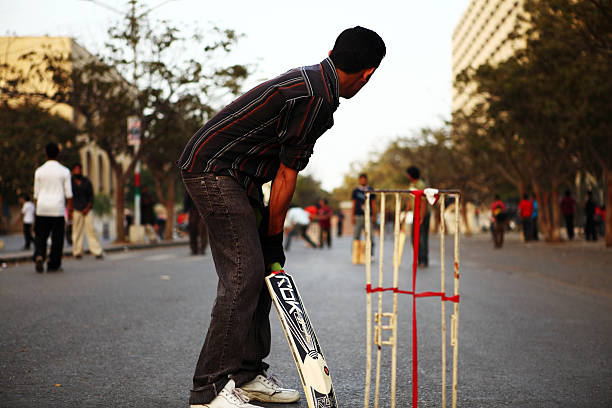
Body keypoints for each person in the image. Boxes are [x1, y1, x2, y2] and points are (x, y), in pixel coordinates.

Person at [177, 26, 385, 408]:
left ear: (332, 51)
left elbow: (278, 169)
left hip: (237, 174)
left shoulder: (313, 80)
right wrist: (273, 236)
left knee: (260, 275)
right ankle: (207, 391)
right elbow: (286, 175)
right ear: (368, 73)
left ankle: (247, 374)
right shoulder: (318, 98)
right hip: (214, 170)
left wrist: (270, 237)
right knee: (245, 274)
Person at [33, 142, 73, 273]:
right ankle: (53, 264)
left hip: (42, 208)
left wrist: (36, 211)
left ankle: (40, 255)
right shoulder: (64, 171)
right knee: (57, 239)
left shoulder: (39, 171)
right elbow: (69, 195)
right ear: (58, 154)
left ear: (45, 153)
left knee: (41, 236)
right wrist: (69, 211)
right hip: (58, 209)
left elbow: (36, 195)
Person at [71, 164, 103, 259]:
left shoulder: (87, 182)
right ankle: (77, 251)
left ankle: (96, 251)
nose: (77, 171)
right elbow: (69, 197)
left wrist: (87, 208)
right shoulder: (70, 182)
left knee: (91, 231)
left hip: (87, 210)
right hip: (76, 209)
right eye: (75, 169)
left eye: (79, 169)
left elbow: (91, 197)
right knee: (76, 231)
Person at [405, 166, 430, 266]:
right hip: (415, 214)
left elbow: (424, 202)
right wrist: (405, 213)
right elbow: (410, 200)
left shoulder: (421, 185)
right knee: (414, 238)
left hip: (423, 214)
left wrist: (422, 217)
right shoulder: (412, 185)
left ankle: (424, 260)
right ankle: (418, 258)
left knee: (422, 238)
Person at [352, 173, 376, 255]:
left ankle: (370, 254)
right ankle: (356, 254)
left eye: (364, 179)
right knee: (356, 236)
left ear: (366, 180)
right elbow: (354, 204)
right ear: (359, 180)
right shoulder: (356, 191)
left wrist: (374, 215)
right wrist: (353, 216)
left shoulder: (370, 189)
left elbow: (373, 203)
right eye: (361, 179)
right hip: (358, 216)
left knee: (370, 236)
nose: (363, 181)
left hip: (368, 216)